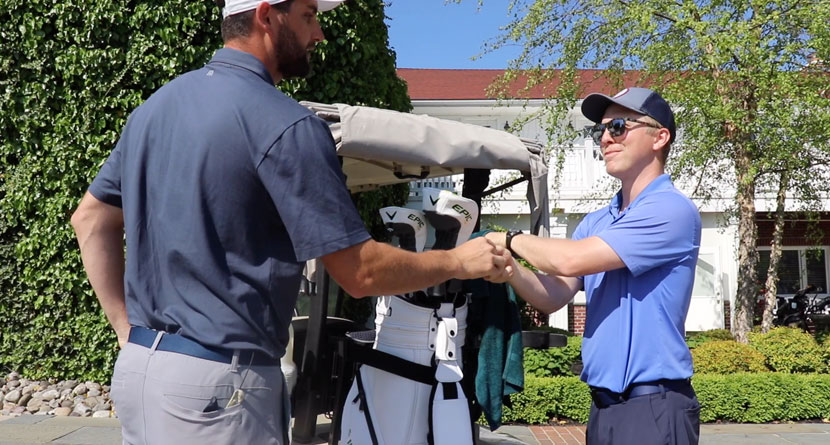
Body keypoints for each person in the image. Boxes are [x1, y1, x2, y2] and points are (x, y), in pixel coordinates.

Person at [70, 1, 508, 444]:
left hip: (141, 369)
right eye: (308, 16)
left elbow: (90, 219)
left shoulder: (152, 111)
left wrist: (127, 329)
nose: (319, 34)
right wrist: (456, 260)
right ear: (266, 16)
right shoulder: (286, 125)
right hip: (221, 387)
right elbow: (360, 272)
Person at [485, 87, 702, 445]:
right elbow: (555, 294)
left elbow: (569, 259)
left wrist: (507, 239)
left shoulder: (671, 210)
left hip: (652, 407)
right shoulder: (597, 222)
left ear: (659, 137)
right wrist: (511, 269)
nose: (604, 138)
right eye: (598, 130)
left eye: (618, 126)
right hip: (603, 409)